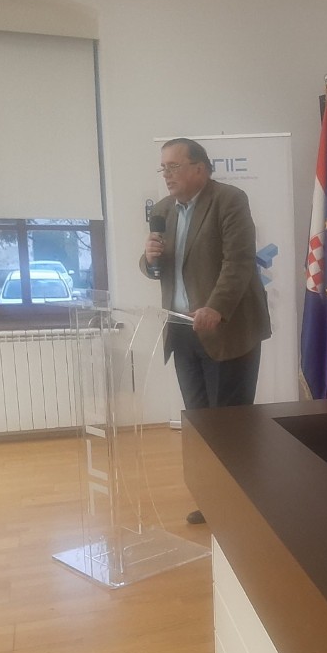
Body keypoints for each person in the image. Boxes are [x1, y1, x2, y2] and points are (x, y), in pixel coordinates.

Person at [140, 138, 271, 524]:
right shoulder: (163, 211)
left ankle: (240, 505)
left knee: (229, 424)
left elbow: (239, 261)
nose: (166, 175)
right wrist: (148, 259)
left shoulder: (229, 200)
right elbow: (159, 269)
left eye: (174, 166)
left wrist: (217, 307)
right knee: (199, 423)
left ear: (200, 168)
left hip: (227, 329)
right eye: (163, 167)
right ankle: (214, 501)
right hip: (182, 329)